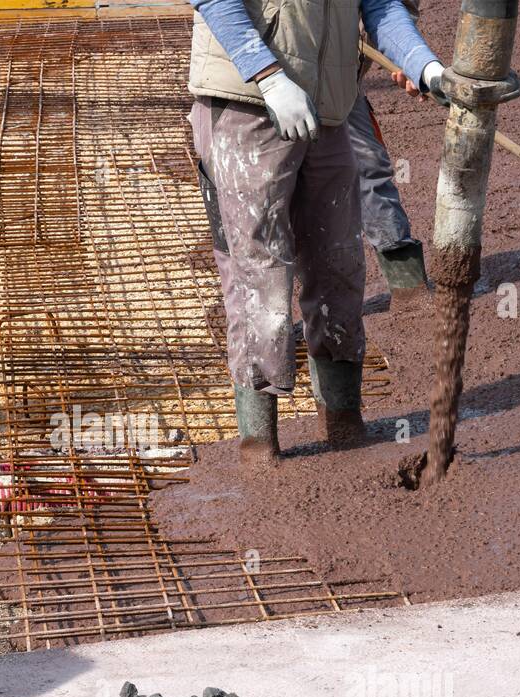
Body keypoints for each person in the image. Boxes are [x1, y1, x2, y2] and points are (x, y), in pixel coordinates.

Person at [187, 0, 445, 464]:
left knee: (338, 267)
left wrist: (424, 66)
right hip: (247, 102)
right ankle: (259, 449)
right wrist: (268, 75)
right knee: (258, 277)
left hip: (327, 109)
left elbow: (381, 4)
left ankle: (344, 426)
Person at [349, 0, 432, 302]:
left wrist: (411, 61)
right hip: (257, 83)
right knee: (263, 190)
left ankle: (409, 289)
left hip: (340, 80)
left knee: (368, 170)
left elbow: (390, 8)